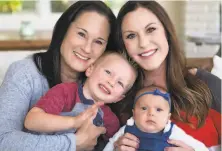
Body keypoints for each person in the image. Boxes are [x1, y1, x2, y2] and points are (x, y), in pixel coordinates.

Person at [0, 1, 118, 151]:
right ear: (64, 31)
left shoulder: (102, 85)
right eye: (81, 34)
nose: (87, 48)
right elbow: (3, 140)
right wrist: (73, 143)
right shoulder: (24, 73)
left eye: (98, 42)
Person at [113, 1, 221, 151]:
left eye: (151, 29)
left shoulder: (208, 85)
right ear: (123, 44)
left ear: (166, 31)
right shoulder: (117, 95)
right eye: (131, 35)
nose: (143, 43)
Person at [24, 52, 137, 139]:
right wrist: (74, 122)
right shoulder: (65, 92)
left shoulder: (110, 121)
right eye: (108, 72)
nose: (111, 82)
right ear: (90, 69)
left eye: (120, 83)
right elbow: (31, 121)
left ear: (119, 98)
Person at [104, 86, 208, 151]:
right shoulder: (127, 129)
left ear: (168, 117)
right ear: (134, 114)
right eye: (144, 108)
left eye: (158, 110)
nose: (151, 113)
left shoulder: (172, 132)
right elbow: (110, 145)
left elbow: (199, 147)